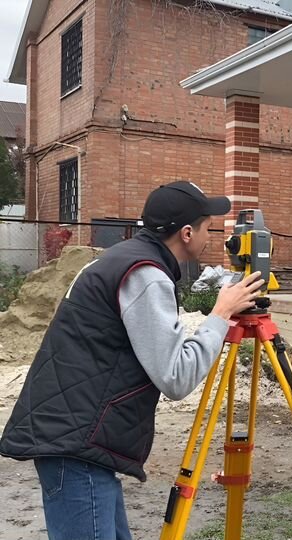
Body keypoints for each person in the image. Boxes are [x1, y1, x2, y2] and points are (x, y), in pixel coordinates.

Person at [0, 181, 264, 540]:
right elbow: (176, 377)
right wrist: (220, 314)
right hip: (77, 447)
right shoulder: (146, 276)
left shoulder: (120, 258)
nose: (212, 235)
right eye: (207, 226)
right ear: (187, 233)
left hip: (78, 442)